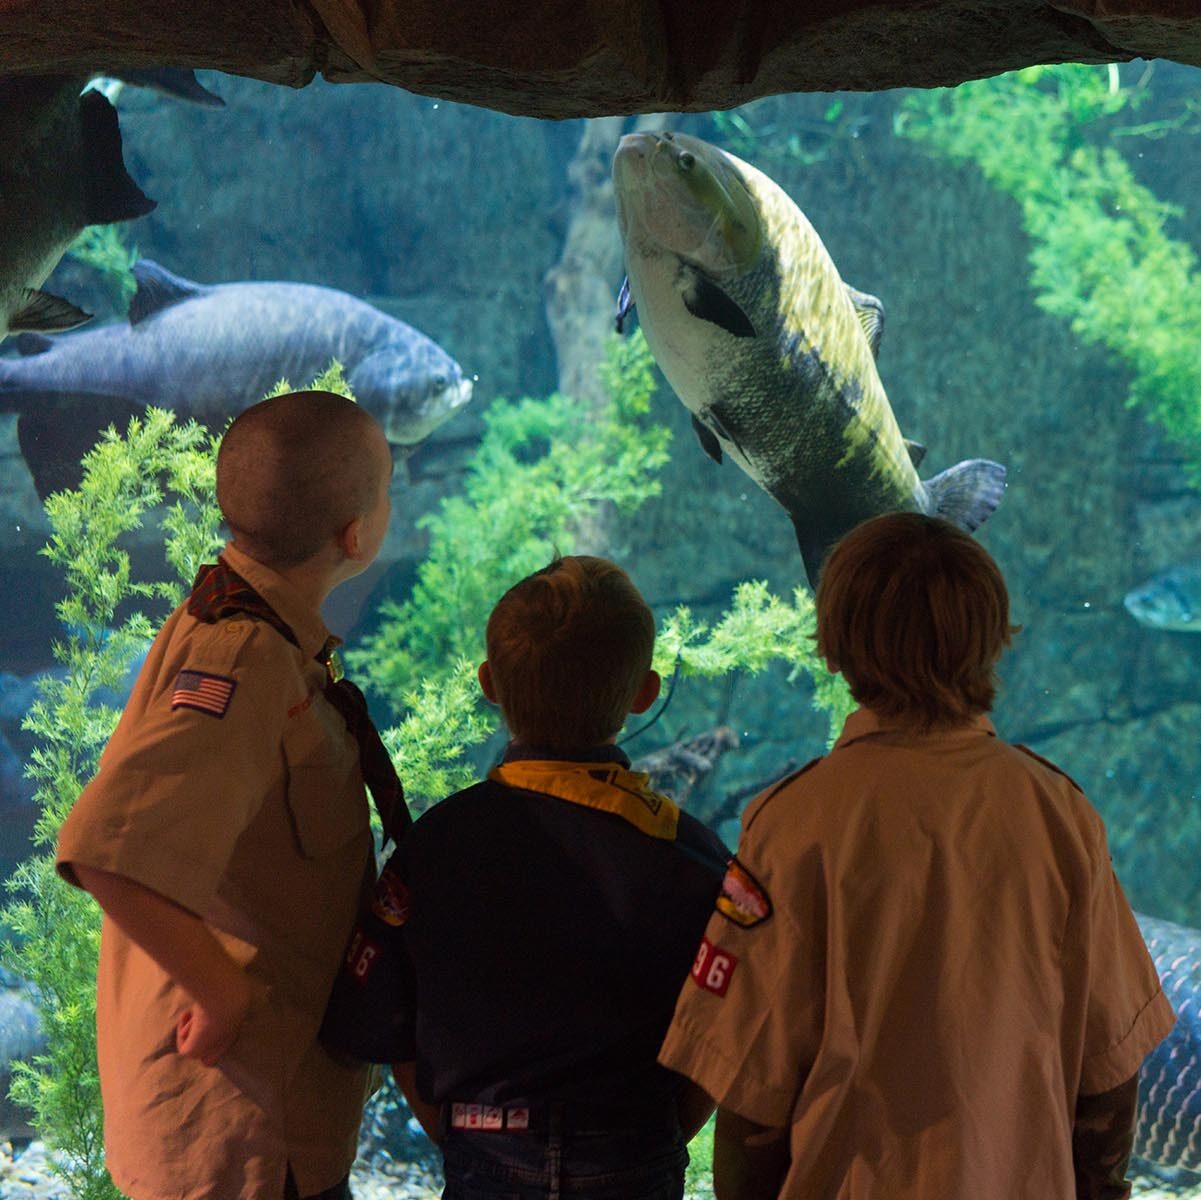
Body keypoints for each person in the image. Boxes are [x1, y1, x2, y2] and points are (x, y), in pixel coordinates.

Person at [657, 512, 1177, 1200]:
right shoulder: (1059, 814)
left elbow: (751, 1093)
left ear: (832, 646)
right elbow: (1111, 1074)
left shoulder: (792, 824)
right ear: (992, 641)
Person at [56, 389, 401, 1200]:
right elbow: (108, 848)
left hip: (267, 1117)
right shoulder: (242, 657)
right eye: (387, 488)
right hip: (241, 1133)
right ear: (355, 534)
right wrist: (221, 994)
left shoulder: (249, 625)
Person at [377, 555, 728, 1198]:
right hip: (634, 1152)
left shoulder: (434, 847)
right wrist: (652, 1135)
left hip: (483, 1147)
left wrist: (466, 1135)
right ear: (645, 692)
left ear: (488, 681)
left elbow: (391, 1025)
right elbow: (721, 1034)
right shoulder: (693, 857)